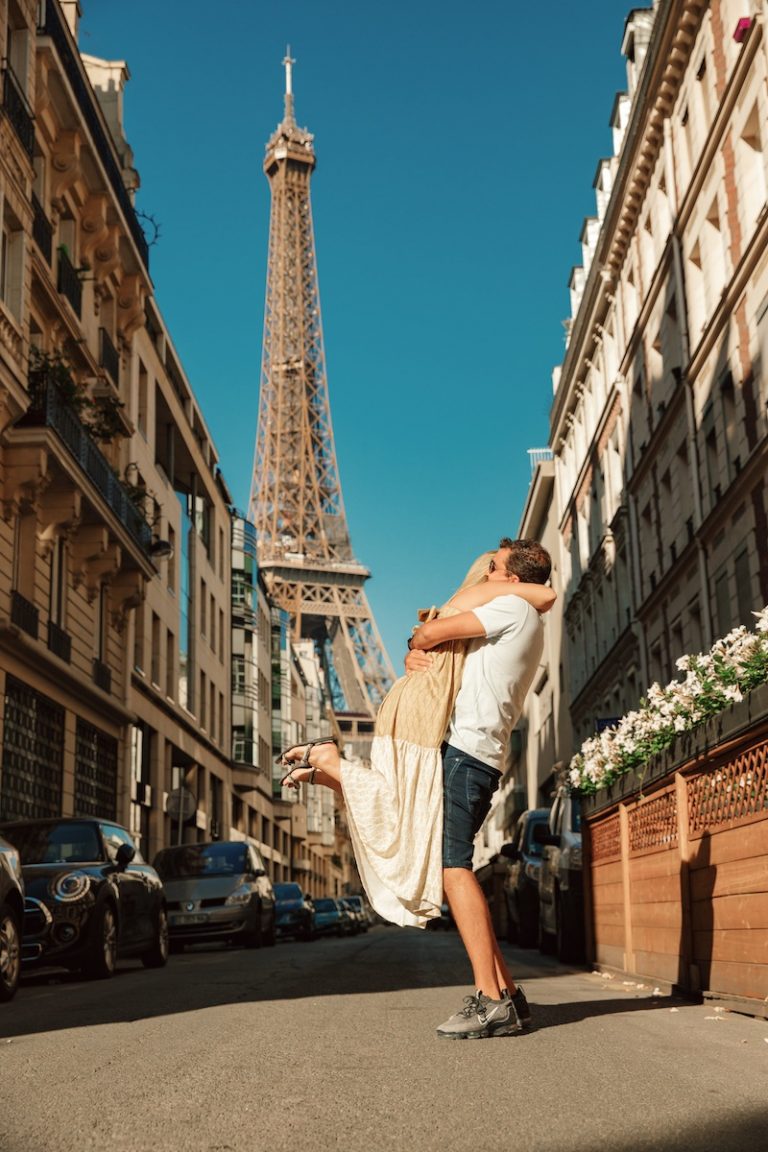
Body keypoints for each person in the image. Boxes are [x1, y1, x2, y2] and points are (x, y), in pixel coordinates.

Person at [280, 538, 553, 1037]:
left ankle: (490, 999)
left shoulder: (513, 606)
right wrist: (415, 656)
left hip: (465, 756)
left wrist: (420, 641)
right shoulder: (520, 612)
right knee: (419, 830)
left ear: (513, 580)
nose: (483, 575)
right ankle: (509, 995)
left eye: (492, 568)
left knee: (453, 869)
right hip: (473, 755)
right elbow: (430, 646)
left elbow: (430, 630)